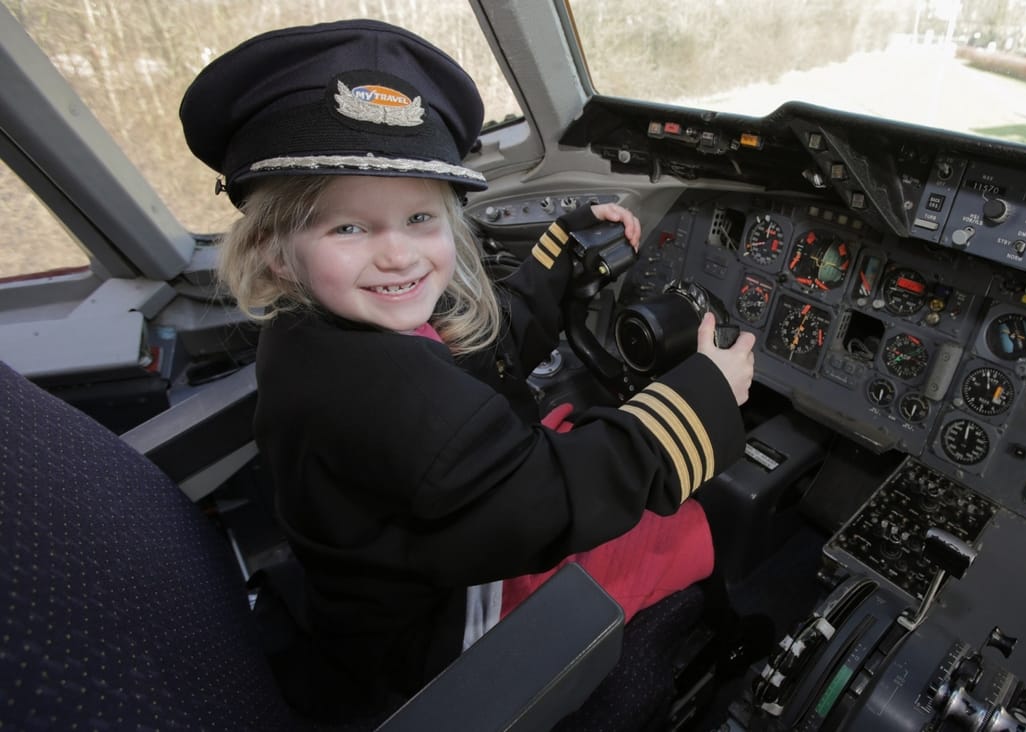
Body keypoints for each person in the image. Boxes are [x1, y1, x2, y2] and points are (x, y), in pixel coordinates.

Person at [179, 18, 757, 719]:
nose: (398, 255)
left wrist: (562, 256)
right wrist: (699, 402)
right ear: (274, 252)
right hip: (437, 632)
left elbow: (476, 349)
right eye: (349, 227)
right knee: (693, 527)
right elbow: (545, 501)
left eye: (420, 219)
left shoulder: (325, 329)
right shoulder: (380, 393)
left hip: (392, 578)